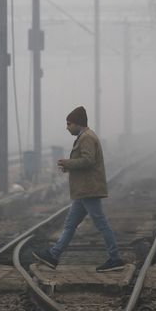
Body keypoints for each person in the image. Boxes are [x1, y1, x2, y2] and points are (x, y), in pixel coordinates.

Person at [33, 106, 125, 273]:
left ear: (78, 124)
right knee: (70, 224)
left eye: (69, 124)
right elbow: (85, 162)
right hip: (83, 190)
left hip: (88, 189)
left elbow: (88, 161)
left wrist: (68, 163)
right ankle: (53, 255)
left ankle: (115, 259)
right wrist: (70, 167)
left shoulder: (87, 138)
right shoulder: (85, 136)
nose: (67, 127)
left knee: (101, 223)